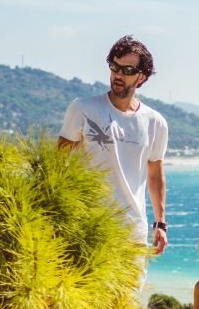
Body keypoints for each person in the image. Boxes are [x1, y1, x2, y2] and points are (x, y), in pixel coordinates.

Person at [57, 35, 169, 256]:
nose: (118, 75)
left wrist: (160, 223)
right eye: (114, 67)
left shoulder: (155, 122)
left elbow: (155, 174)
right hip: (87, 228)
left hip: (133, 232)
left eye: (127, 70)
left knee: (128, 292)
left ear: (141, 77)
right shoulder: (83, 109)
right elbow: (58, 162)